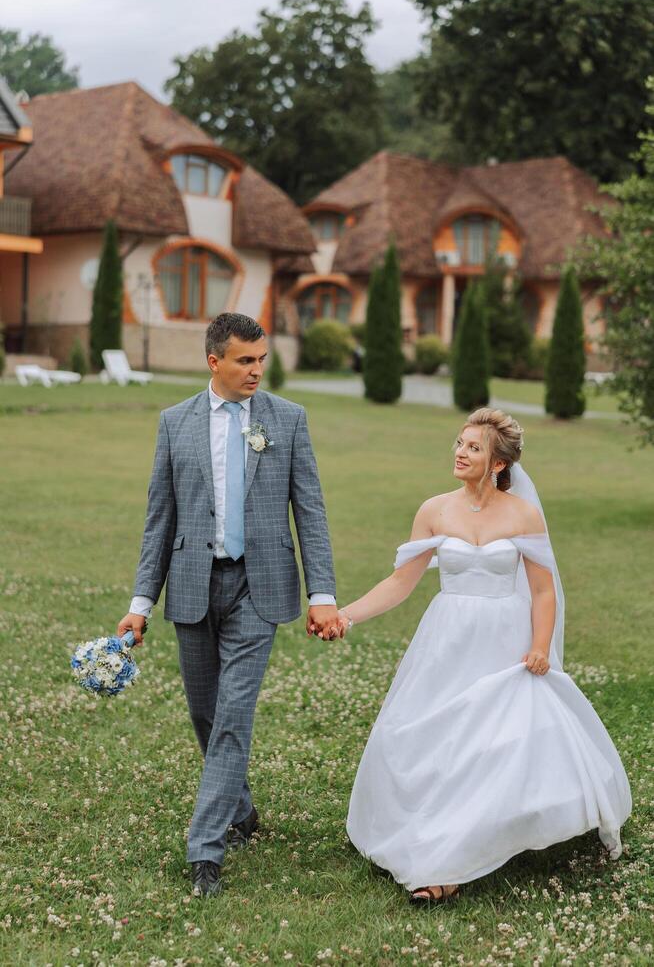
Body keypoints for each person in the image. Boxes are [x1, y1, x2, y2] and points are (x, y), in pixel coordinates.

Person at [336, 407, 631, 904]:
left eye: (473, 447)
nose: (460, 452)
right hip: (447, 637)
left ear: (498, 463)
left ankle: (455, 860)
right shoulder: (435, 509)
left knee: (493, 741)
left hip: (504, 638)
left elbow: (543, 591)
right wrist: (347, 615)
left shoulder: (522, 514)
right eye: (459, 443)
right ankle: (430, 841)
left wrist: (539, 646)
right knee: (433, 735)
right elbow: (400, 582)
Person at [117, 312, 340, 898]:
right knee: (206, 715)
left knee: (234, 716)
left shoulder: (287, 420)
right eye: (245, 360)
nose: (256, 371)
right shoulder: (175, 423)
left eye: (261, 360)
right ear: (214, 361)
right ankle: (242, 811)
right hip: (192, 585)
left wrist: (322, 594)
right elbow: (158, 520)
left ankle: (205, 850)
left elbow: (310, 511)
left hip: (259, 588)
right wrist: (141, 604)